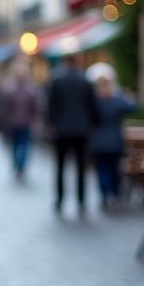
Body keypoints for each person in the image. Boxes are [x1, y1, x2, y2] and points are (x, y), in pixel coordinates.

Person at [47, 54, 101, 215]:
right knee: (80, 168)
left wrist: (53, 123)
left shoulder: (57, 80)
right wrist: (92, 124)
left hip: (62, 130)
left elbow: (51, 106)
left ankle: (60, 199)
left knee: (60, 167)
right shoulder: (85, 81)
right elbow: (93, 106)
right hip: (81, 130)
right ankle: (81, 200)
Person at [90, 75, 138, 208]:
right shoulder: (116, 100)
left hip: (99, 141)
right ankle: (113, 192)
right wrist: (129, 96)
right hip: (115, 141)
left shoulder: (95, 102)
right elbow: (133, 107)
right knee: (113, 168)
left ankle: (105, 192)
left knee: (102, 169)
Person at [0, 64, 39, 180]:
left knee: (16, 145)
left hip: (14, 123)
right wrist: (34, 120)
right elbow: (35, 108)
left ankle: (17, 164)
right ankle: (21, 165)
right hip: (25, 123)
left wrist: (4, 122)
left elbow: (4, 109)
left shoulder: (10, 89)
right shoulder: (30, 90)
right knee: (24, 145)